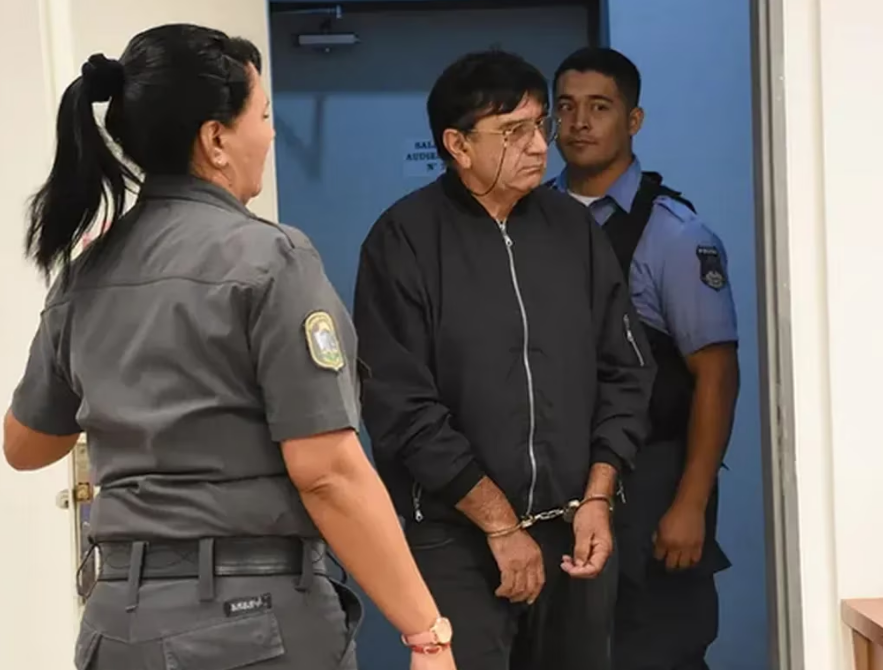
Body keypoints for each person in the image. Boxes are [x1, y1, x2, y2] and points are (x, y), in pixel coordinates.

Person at [2, 23, 457, 670]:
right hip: (248, 626)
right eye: (264, 116)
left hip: (117, 626)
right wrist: (426, 632)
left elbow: (25, 445)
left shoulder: (86, 272)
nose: (271, 135)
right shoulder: (269, 259)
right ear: (215, 139)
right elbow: (327, 472)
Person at [353, 50, 656, 670]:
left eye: (540, 125)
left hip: (577, 529)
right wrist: (499, 525)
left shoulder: (575, 231)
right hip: (457, 537)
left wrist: (600, 496)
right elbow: (401, 407)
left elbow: (626, 372)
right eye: (513, 131)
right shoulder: (404, 239)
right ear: (458, 145)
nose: (540, 146)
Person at [551, 47, 741, 670]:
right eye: (566, 107)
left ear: (633, 120)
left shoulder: (675, 234)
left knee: (659, 650)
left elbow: (716, 376)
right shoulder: (532, 221)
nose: (580, 122)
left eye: (599, 107)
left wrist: (691, 502)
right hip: (558, 481)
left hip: (653, 478)